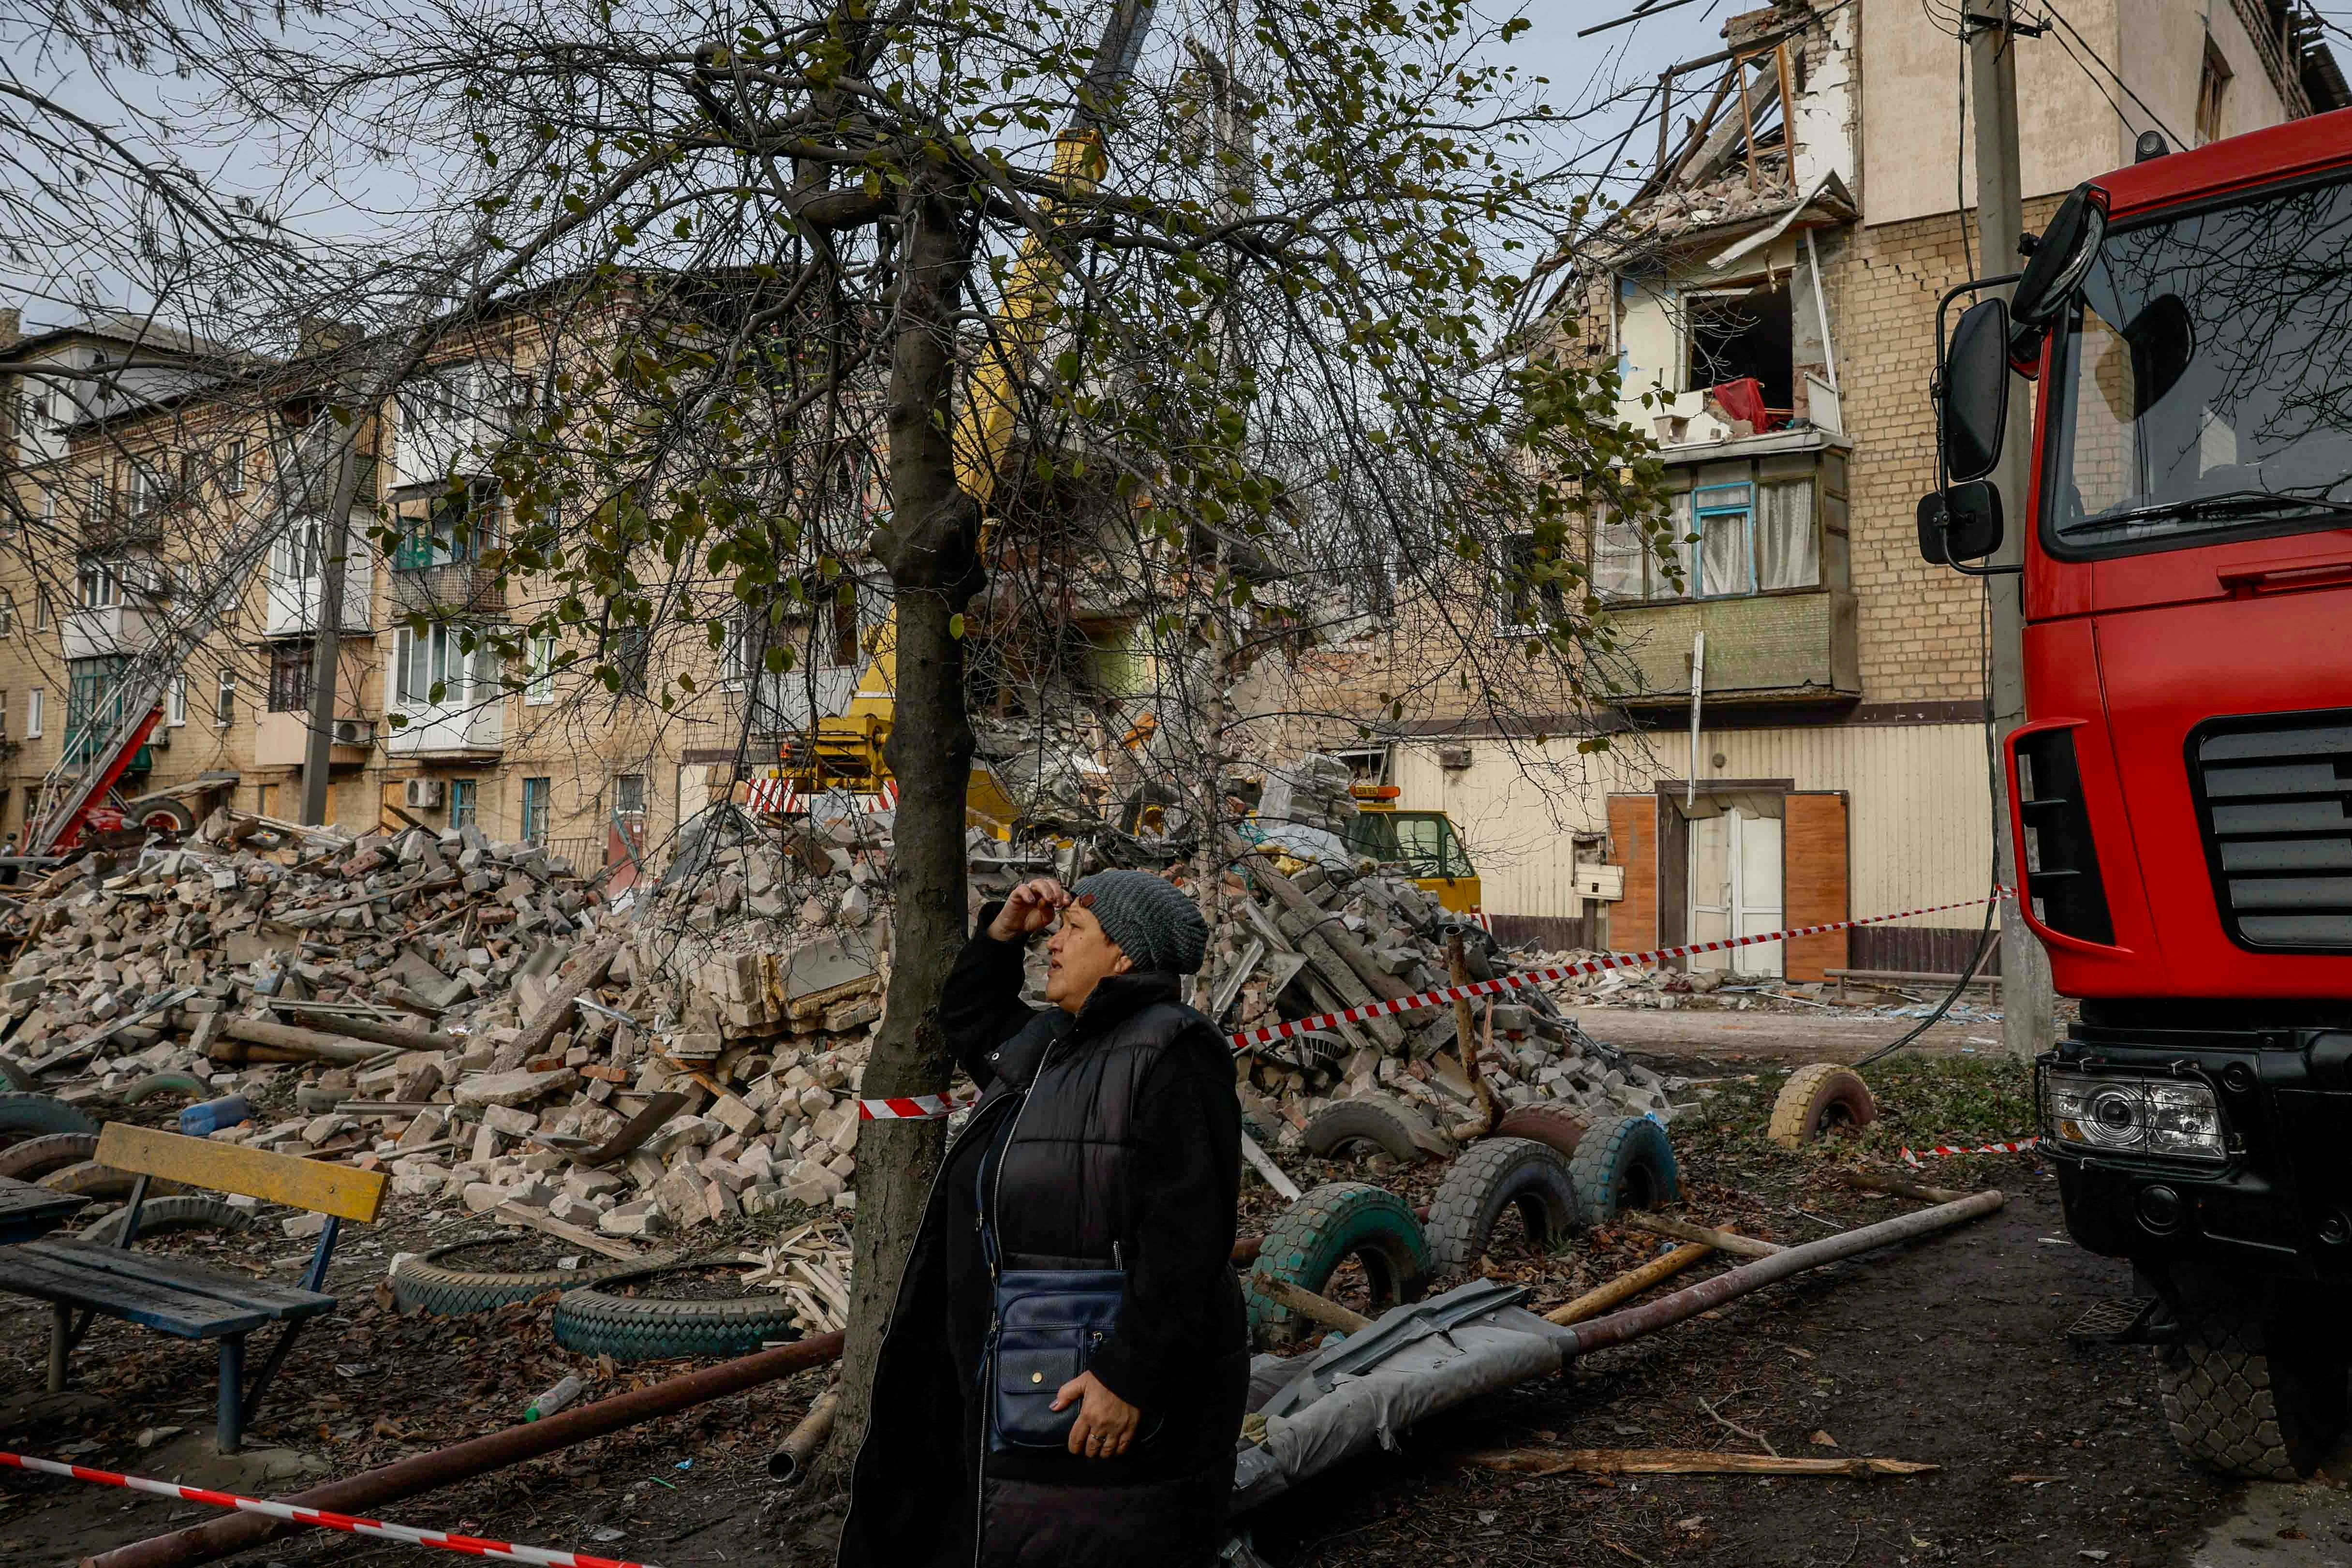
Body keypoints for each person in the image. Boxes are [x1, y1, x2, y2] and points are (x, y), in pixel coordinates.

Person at [838, 870, 1248, 1568]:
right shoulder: (1058, 1041)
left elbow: (1188, 1244)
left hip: (1089, 1389)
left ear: (1124, 957)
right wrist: (1002, 934)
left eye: (1074, 931)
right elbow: (970, 1018)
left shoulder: (1173, 1054)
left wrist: (1128, 1377)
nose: (1053, 944)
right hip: (1012, 1370)